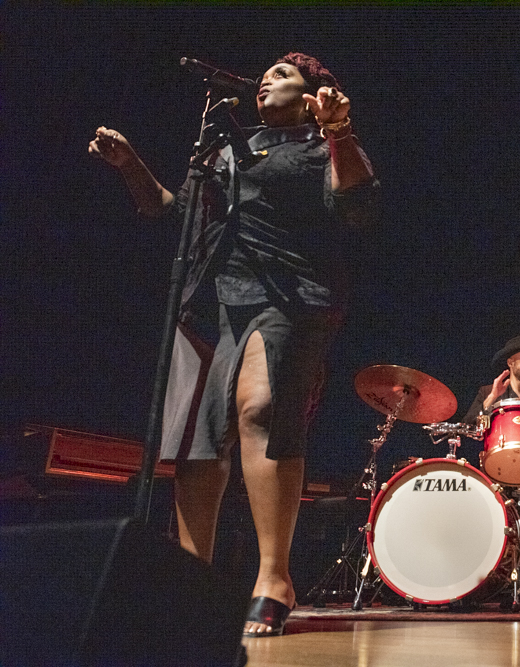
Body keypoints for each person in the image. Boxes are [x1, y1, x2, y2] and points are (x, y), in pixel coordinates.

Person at [89, 53, 378, 636]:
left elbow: (358, 208)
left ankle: (274, 577)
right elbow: (174, 215)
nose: (267, 78)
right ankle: (192, 580)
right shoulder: (225, 149)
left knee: (259, 406)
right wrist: (130, 166)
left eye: (284, 74)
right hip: (216, 302)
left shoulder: (321, 146)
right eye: (266, 73)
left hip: (291, 295)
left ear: (314, 93)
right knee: (199, 437)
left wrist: (340, 131)